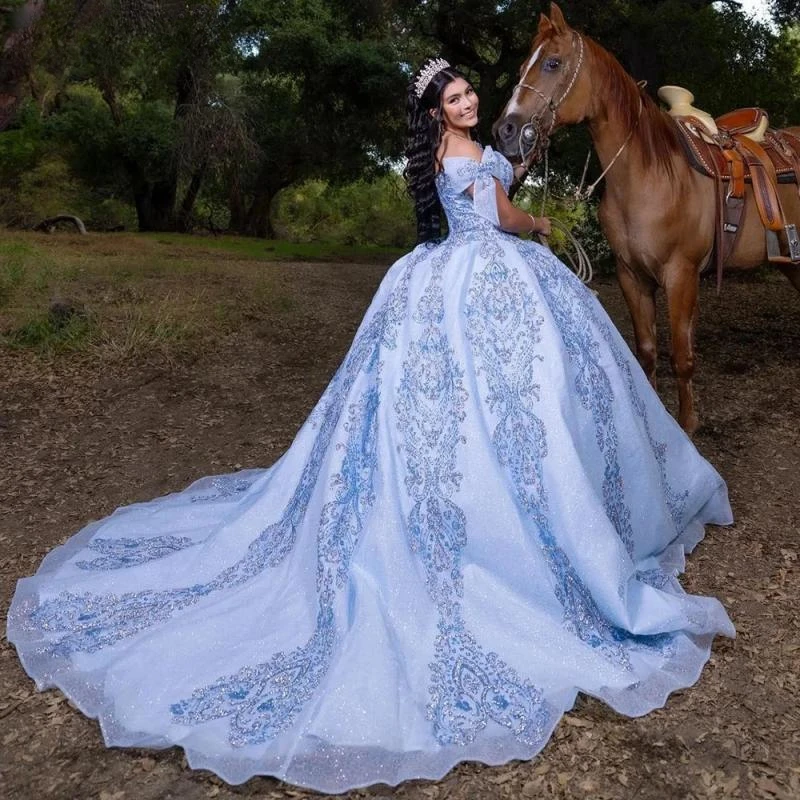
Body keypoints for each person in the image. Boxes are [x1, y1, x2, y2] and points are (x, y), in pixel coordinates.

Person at [7, 59, 734, 793]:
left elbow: (461, 211)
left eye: (469, 91)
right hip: (492, 275)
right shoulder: (480, 158)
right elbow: (502, 219)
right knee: (528, 391)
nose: (469, 100)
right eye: (455, 97)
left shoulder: (437, 162)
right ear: (438, 113)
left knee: (439, 407)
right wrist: (538, 220)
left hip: (435, 275)